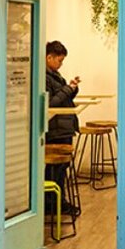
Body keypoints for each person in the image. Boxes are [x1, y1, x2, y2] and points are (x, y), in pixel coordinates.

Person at [45, 40, 80, 216]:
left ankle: (58, 201)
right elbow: (51, 103)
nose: (61, 64)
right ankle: (54, 203)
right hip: (55, 129)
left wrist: (72, 88)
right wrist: (67, 89)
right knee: (55, 171)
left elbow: (62, 97)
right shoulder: (44, 78)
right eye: (59, 60)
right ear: (48, 57)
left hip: (63, 127)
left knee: (61, 170)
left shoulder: (55, 75)